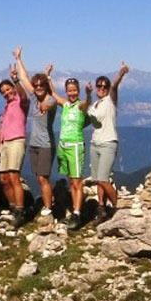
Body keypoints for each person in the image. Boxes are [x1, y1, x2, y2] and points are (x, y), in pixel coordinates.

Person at [12, 48, 56, 221]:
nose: (37, 88)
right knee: (39, 178)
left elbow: (50, 104)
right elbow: (23, 77)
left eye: (41, 85)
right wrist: (19, 59)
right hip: (34, 144)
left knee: (43, 178)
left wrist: (45, 106)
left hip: (46, 145)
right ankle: (48, 204)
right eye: (36, 85)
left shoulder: (50, 100)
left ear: (45, 86)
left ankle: (48, 209)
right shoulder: (34, 98)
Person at [46, 72, 93, 230]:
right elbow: (53, 93)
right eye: (69, 90)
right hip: (63, 146)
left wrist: (88, 93)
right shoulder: (65, 104)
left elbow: (88, 104)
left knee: (77, 181)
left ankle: (77, 214)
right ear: (66, 91)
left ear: (78, 91)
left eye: (74, 90)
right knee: (70, 181)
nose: (72, 93)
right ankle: (74, 210)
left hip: (75, 146)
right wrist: (48, 78)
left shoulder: (81, 106)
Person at [87, 62, 130, 224]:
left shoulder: (111, 101)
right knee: (98, 179)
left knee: (104, 179)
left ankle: (116, 208)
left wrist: (120, 74)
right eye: (99, 86)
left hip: (108, 143)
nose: (102, 88)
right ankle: (101, 209)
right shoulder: (94, 104)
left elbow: (114, 88)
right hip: (95, 143)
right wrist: (88, 95)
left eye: (104, 86)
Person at [0, 65, 30, 227]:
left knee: (14, 176)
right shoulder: (6, 106)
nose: (6, 92)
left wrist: (16, 79)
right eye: (3, 91)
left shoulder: (20, 102)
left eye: (8, 89)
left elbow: (24, 96)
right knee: (3, 178)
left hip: (17, 140)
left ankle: (20, 210)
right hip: (5, 143)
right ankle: (12, 206)